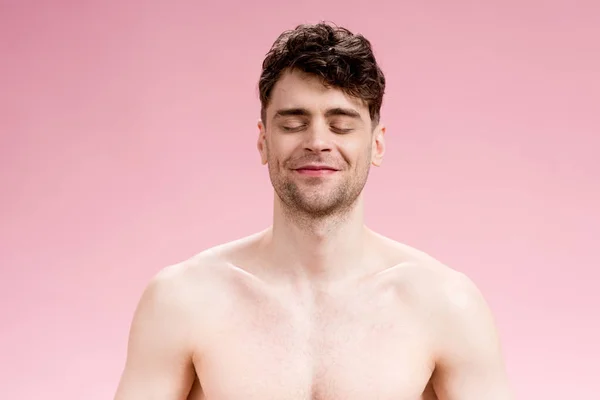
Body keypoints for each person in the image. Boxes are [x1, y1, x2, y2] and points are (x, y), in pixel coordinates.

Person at [114, 22, 513, 400]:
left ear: (377, 144)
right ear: (263, 141)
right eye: (293, 124)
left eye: (341, 125)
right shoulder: (183, 301)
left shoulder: (445, 305)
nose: (317, 141)